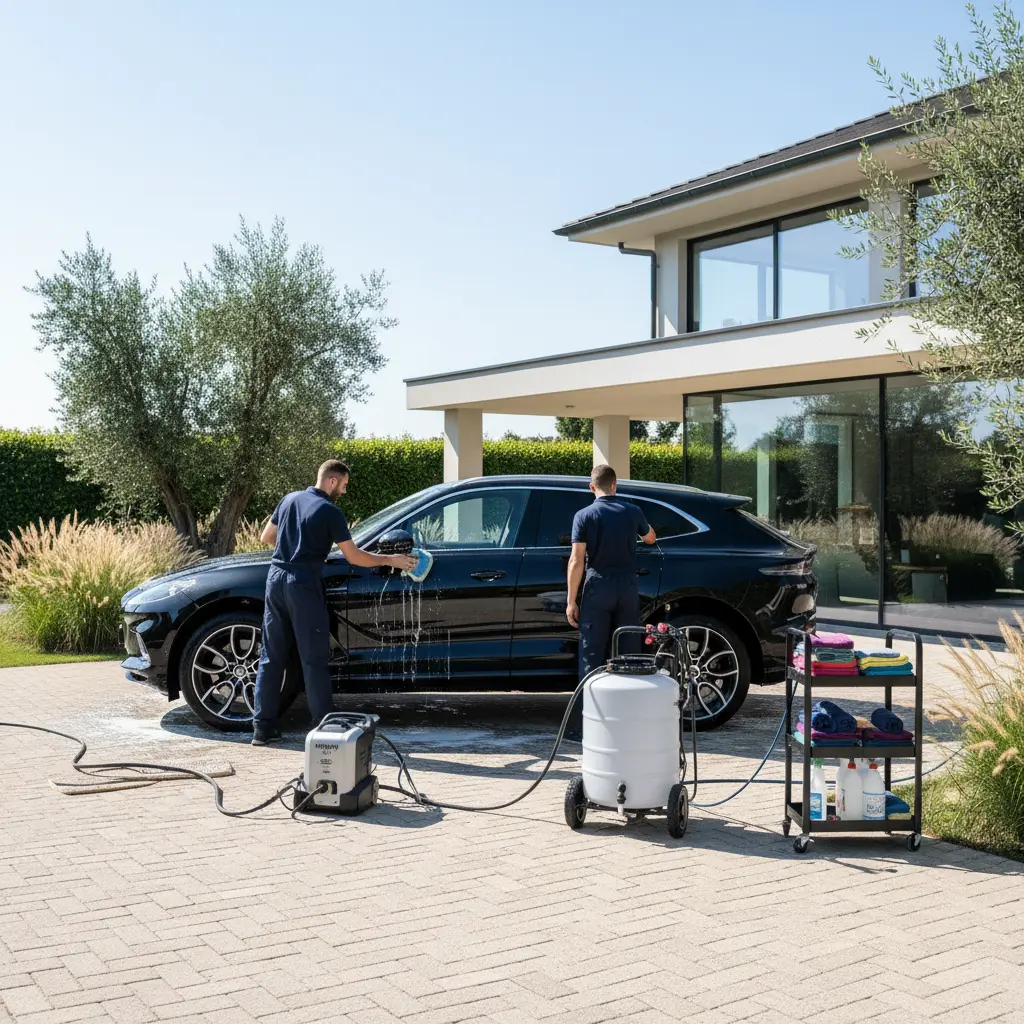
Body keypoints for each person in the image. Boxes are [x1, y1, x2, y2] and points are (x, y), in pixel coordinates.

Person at [251, 459, 417, 745]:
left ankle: (262, 729)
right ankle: (321, 727)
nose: (344, 490)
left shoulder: (289, 499)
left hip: (275, 578)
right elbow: (355, 557)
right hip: (302, 583)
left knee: (271, 655)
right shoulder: (330, 511)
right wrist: (391, 560)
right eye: (344, 485)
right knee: (313, 658)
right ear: (331, 481)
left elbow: (268, 536)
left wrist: (297, 546)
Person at [564, 464, 657, 741]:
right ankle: (631, 725)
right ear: (615, 485)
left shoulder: (584, 515)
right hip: (627, 585)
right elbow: (651, 538)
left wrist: (571, 600)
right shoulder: (632, 511)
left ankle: (585, 728)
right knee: (629, 653)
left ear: (592, 488)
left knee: (591, 657)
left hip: (598, 584)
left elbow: (576, 560)